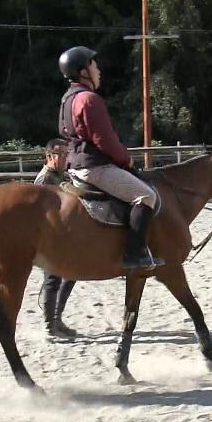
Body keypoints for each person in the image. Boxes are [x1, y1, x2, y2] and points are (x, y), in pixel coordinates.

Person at [57, 46, 165, 270]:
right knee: (146, 196)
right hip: (94, 167)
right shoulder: (89, 99)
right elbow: (105, 140)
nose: (98, 70)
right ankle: (134, 254)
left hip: (75, 165)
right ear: (83, 71)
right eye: (94, 65)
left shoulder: (67, 99)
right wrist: (127, 160)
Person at [34, 139, 78, 338]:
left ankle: (57, 318)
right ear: (49, 156)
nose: (65, 158)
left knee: (71, 275)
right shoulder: (44, 181)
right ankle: (49, 324)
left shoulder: (62, 175)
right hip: (49, 237)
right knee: (52, 279)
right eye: (61, 154)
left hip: (64, 236)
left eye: (66, 154)